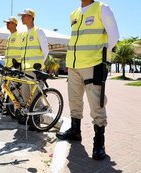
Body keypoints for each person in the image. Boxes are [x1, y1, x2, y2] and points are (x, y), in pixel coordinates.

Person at [56, 0, 119, 160]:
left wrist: (101, 59)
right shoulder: (74, 14)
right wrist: (71, 63)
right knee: (74, 100)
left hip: (94, 64)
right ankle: (75, 131)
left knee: (96, 103)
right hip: (74, 65)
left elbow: (114, 37)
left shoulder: (102, 8)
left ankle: (99, 142)